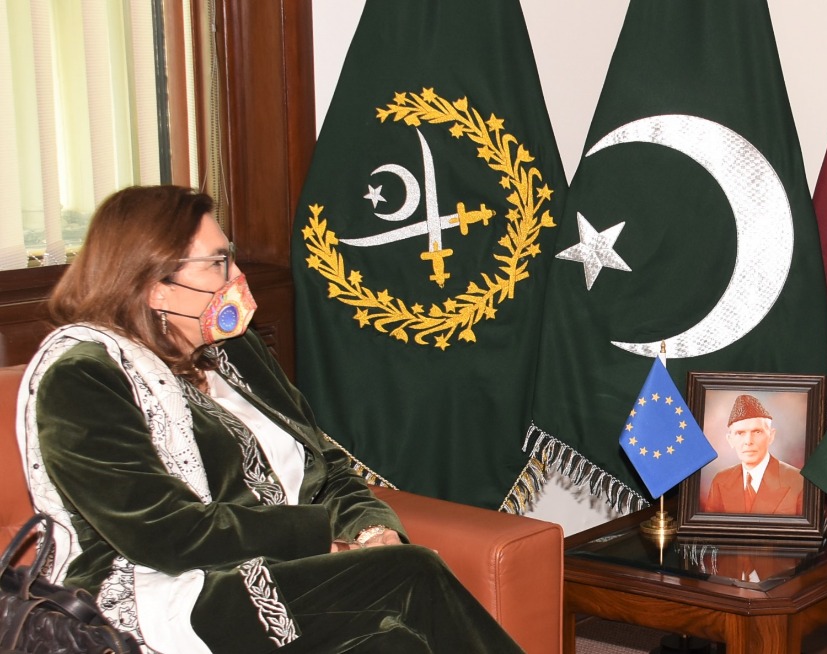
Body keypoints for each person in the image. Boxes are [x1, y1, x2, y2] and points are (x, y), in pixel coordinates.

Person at [16, 186, 523, 653]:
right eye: (217, 263)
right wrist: (321, 540)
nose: (237, 277)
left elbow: (324, 464)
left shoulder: (235, 349)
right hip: (159, 592)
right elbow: (163, 534)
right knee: (410, 573)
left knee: (394, 642)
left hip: (277, 569)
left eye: (231, 256)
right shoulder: (84, 378)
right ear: (155, 287)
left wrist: (371, 529)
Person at [703, 394, 804, 515]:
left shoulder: (797, 480)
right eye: (740, 433)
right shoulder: (720, 481)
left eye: (757, 432)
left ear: (771, 436)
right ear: (730, 440)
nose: (748, 441)